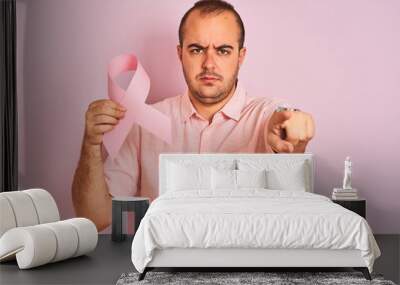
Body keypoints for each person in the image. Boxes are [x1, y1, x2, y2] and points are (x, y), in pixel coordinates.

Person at [72, 0, 315, 231]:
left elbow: (287, 126)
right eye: (197, 49)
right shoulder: (143, 125)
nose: (209, 63)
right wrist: (91, 143)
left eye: (223, 50)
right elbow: (96, 217)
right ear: (180, 54)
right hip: (163, 268)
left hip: (249, 268)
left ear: (240, 56)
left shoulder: (265, 116)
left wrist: (296, 127)